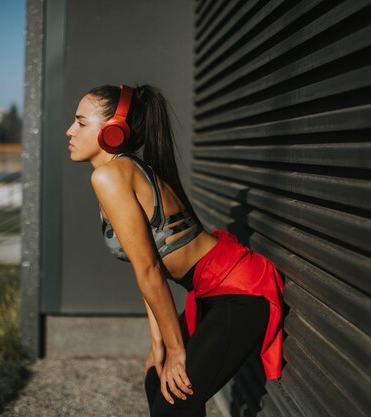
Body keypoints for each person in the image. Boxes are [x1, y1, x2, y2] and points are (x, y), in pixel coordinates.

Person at [65, 83, 284, 417]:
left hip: (240, 292)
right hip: (210, 290)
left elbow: (150, 271)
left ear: (112, 132)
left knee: (173, 401)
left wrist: (176, 350)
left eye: (81, 123)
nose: (70, 131)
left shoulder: (111, 176)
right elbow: (148, 268)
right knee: (157, 378)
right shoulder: (119, 172)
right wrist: (159, 346)